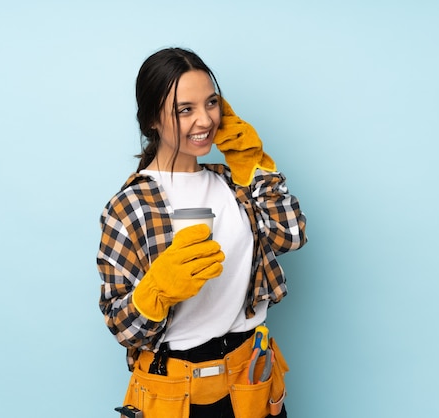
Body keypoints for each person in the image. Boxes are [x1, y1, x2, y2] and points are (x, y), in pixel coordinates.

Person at [96, 47, 307, 418]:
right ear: (152, 121)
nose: (205, 120)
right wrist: (155, 291)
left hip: (251, 377)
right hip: (176, 393)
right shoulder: (128, 207)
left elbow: (290, 235)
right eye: (185, 109)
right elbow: (123, 326)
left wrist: (252, 164)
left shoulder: (234, 183)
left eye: (211, 103)